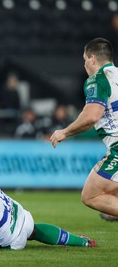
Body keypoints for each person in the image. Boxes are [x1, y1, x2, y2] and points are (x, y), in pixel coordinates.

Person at [50, 38, 118, 221]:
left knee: (91, 196)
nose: (84, 64)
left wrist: (64, 132)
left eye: (85, 59)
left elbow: (91, 117)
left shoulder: (97, 80)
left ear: (93, 59)